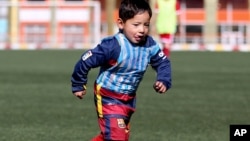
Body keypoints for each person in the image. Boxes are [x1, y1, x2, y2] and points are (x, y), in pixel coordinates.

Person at [71, 0, 172, 140]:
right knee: (117, 137)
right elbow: (85, 60)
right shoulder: (113, 46)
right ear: (121, 23)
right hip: (108, 96)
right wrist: (78, 84)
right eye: (136, 25)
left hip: (129, 98)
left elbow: (163, 62)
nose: (142, 30)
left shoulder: (149, 44)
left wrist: (163, 79)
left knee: (113, 135)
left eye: (146, 25)